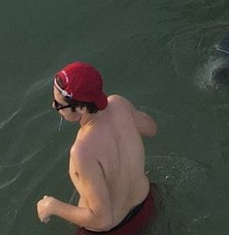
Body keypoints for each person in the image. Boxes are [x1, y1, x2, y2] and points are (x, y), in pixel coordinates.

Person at [37, 62, 159, 233]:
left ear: (81, 107)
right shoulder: (119, 104)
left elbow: (102, 220)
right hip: (147, 205)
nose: (53, 106)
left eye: (59, 105)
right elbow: (152, 129)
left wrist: (53, 206)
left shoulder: (82, 151)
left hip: (114, 230)